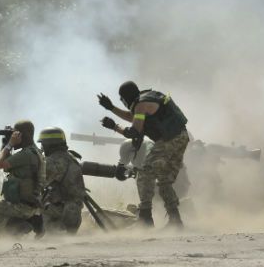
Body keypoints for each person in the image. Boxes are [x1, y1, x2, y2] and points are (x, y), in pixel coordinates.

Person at [98, 81, 189, 228]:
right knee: (164, 180)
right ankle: (175, 220)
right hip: (180, 137)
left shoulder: (140, 105)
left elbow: (134, 131)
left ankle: (145, 217)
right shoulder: (145, 100)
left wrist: (114, 126)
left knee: (145, 172)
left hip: (168, 140)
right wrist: (111, 108)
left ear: (125, 98)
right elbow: (133, 117)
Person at [0, 120, 44, 236]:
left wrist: (9, 144)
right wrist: (6, 144)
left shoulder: (26, 154)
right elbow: (7, 166)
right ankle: (29, 221)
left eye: (15, 134)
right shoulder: (35, 152)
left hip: (20, 207)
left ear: (22, 135)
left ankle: (18, 226)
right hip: (30, 205)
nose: (13, 136)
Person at [38, 127, 87, 234]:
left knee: (29, 204)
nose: (42, 148)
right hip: (73, 215)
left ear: (50, 144)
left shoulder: (53, 161)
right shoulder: (70, 158)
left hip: (60, 214)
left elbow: (37, 183)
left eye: (43, 144)